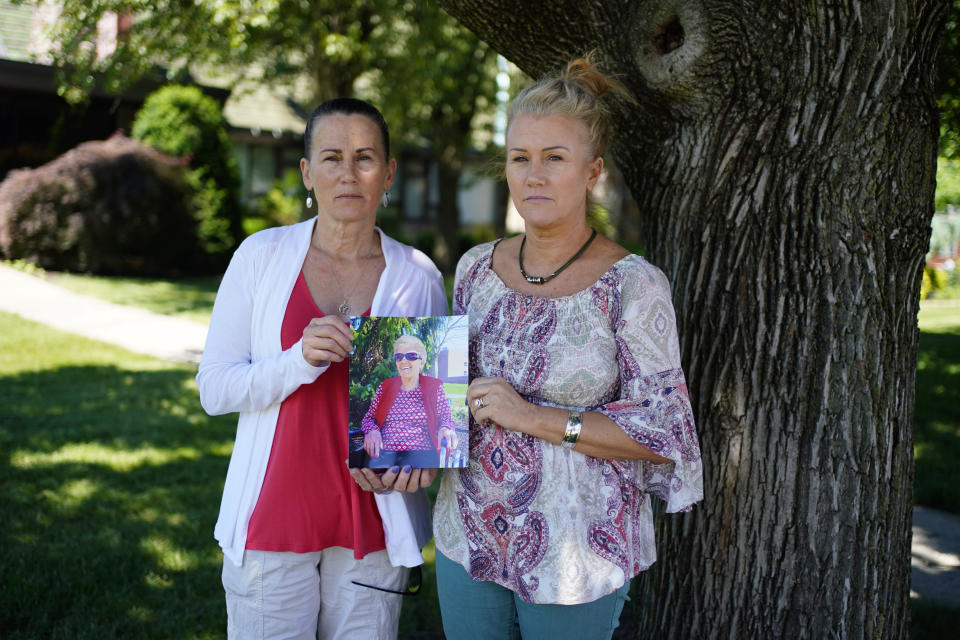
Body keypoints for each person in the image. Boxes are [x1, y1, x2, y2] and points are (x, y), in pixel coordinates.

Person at [431, 54, 703, 639]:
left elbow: (664, 434)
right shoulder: (476, 269)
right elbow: (443, 396)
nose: (534, 176)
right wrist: (399, 449)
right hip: (467, 534)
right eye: (519, 158)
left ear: (592, 171)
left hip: (577, 553)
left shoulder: (634, 285)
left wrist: (532, 417)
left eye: (554, 158)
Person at [196, 97, 447, 640]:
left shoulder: (418, 276)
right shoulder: (260, 256)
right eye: (332, 158)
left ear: (389, 174)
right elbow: (214, 388)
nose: (348, 173)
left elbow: (425, 410)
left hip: (373, 521)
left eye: (365, 157)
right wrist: (296, 361)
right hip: (272, 519)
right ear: (308, 173)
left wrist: (421, 463)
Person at [360, 335, 459, 468]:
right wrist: (372, 431)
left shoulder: (434, 388)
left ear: (422, 362)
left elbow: (446, 418)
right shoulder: (385, 387)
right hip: (384, 454)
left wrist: (446, 428)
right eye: (399, 357)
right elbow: (369, 418)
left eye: (411, 356)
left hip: (420, 455)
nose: (404, 361)